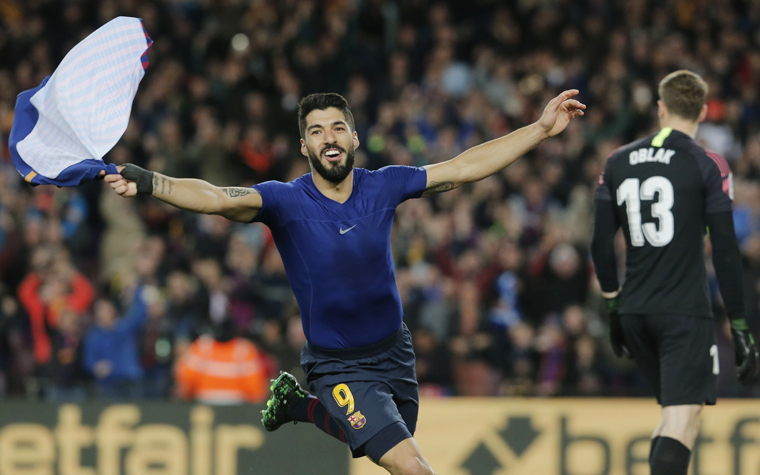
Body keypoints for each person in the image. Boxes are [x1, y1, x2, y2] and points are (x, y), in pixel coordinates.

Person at [104, 90, 585, 475]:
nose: (328, 137)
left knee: (379, 438)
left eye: (337, 127)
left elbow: (461, 167)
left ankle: (298, 406)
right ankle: (310, 398)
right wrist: (149, 182)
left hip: (395, 353)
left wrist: (540, 130)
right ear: (304, 147)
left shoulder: (385, 185)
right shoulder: (284, 201)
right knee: (412, 467)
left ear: (354, 138)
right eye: (316, 131)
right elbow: (214, 197)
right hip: (338, 367)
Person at [590, 70, 760, 475]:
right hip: (683, 313)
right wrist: (739, 324)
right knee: (683, 419)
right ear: (701, 111)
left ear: (661, 108)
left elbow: (599, 244)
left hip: (634, 312)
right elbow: (724, 250)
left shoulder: (617, 160)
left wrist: (614, 307)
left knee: (675, 419)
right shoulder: (708, 163)